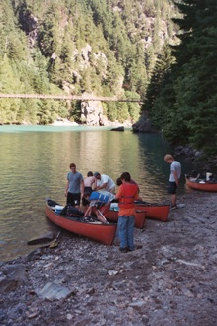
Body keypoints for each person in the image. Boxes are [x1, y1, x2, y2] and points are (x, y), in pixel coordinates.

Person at [115, 172, 139, 252]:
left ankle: (123, 247)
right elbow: (136, 198)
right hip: (132, 212)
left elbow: (116, 197)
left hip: (123, 212)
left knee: (122, 229)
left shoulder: (122, 187)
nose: (121, 181)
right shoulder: (135, 187)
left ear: (124, 179)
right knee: (130, 229)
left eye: (122, 180)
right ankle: (131, 246)